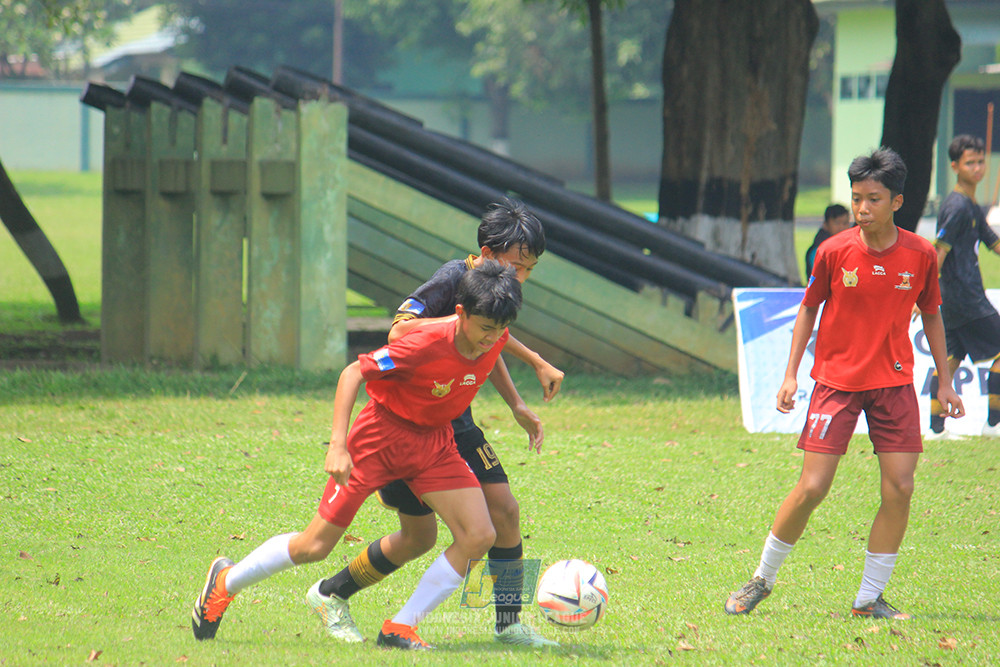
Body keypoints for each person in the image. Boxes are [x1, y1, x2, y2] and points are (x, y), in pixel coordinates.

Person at [191, 261, 526, 650]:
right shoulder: (423, 343)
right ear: (461, 313)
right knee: (314, 546)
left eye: (500, 329)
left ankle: (402, 628)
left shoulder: (495, 334)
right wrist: (338, 445)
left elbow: (495, 346)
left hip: (434, 443)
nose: (493, 338)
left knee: (480, 533)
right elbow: (353, 373)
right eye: (485, 328)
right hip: (378, 440)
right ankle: (225, 581)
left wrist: (526, 384)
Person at [305, 197, 562, 648]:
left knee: (504, 511)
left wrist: (518, 402)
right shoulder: (451, 280)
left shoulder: (495, 295)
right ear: (487, 253)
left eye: (529, 270)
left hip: (456, 423)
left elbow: (488, 343)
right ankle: (332, 592)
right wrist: (452, 332)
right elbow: (399, 331)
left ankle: (508, 623)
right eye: (516, 265)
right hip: (409, 425)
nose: (521, 277)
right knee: (416, 538)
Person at [724, 147, 964, 620]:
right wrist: (791, 374)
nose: (862, 208)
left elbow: (933, 314)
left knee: (900, 488)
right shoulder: (834, 251)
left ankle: (869, 599)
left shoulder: (920, 254)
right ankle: (761, 580)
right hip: (836, 382)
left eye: (873, 199)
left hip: (894, 384)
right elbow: (808, 308)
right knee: (813, 487)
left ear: (897, 202)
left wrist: (945, 382)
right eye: (856, 198)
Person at [926, 135, 1000, 439]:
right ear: (955, 166)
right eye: (970, 163)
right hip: (965, 297)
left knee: (949, 361)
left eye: (981, 162)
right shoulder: (956, 206)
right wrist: (924, 294)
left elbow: (993, 242)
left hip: (956, 299)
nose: (977, 168)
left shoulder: (970, 204)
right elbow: (937, 253)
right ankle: (994, 424)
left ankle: (936, 430)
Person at [804, 204, 851, 279]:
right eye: (837, 223)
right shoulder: (818, 251)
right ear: (825, 224)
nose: (841, 227)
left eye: (845, 223)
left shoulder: (851, 247)